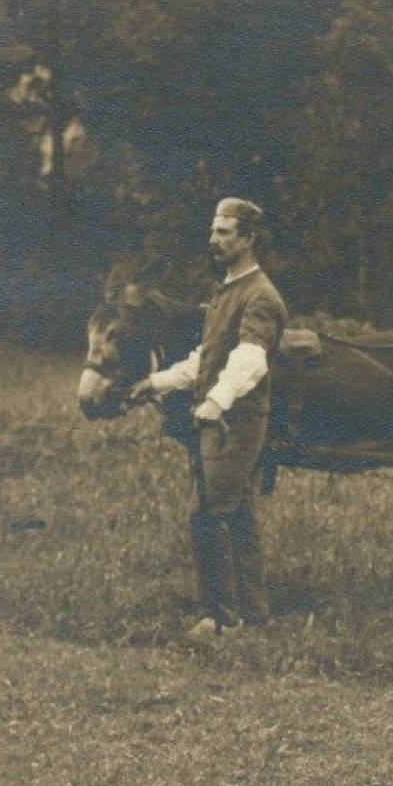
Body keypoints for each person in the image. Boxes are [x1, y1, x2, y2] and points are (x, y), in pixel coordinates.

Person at [131, 198, 289, 635]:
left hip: (235, 422)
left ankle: (218, 618)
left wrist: (216, 402)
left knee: (207, 514)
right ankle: (254, 617)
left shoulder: (260, 296)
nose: (213, 240)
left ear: (249, 239)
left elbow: (250, 360)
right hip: (221, 419)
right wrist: (159, 382)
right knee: (237, 514)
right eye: (213, 231)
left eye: (224, 233)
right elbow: (209, 356)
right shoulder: (227, 290)